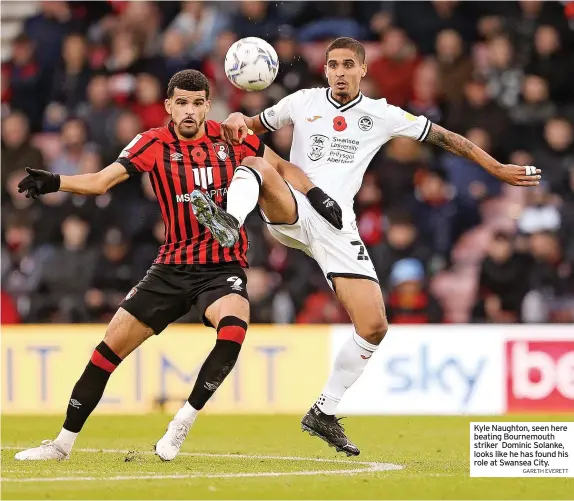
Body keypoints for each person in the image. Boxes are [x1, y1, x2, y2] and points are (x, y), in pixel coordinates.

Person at [215, 37, 542, 456]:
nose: (338, 72)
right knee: (257, 163)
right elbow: (250, 127)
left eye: (348, 65)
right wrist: (240, 116)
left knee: (374, 327)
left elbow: (445, 137)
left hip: (337, 224)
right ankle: (230, 221)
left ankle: (323, 412)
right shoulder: (301, 102)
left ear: (363, 70)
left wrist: (496, 167)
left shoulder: (381, 113)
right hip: (295, 204)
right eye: (332, 65)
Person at [14, 69, 342, 461]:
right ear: (169, 105)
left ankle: (182, 422)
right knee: (106, 353)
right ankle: (62, 444)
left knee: (234, 329)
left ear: (208, 105)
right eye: (182, 103)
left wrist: (317, 194)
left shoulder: (232, 136)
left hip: (223, 265)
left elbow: (281, 169)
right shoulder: (152, 143)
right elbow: (102, 181)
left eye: (198, 103)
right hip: (172, 266)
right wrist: (56, 181)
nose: (189, 111)